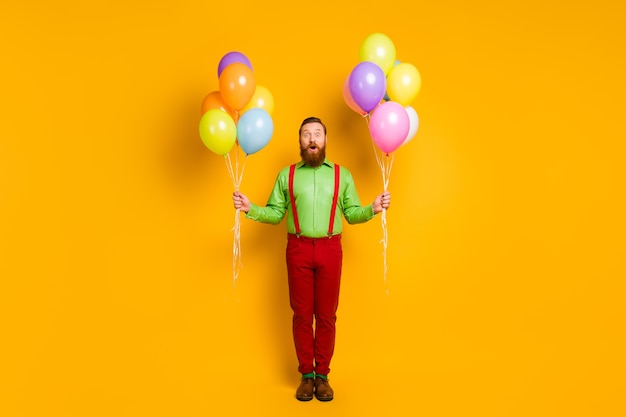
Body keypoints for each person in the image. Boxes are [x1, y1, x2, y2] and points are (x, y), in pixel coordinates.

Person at [232, 116, 391, 402]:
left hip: (331, 249)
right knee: (302, 315)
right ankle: (306, 375)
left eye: (318, 133)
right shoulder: (287, 175)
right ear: (300, 142)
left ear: (326, 140)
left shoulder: (342, 175)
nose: (313, 138)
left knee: (327, 316)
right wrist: (250, 207)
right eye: (307, 134)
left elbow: (352, 214)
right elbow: (275, 214)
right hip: (298, 248)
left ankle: (323, 376)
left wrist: (373, 207)